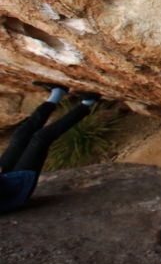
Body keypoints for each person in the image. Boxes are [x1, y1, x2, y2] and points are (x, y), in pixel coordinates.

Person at [0, 82, 101, 214]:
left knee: (20, 135)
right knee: (40, 139)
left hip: (4, 179)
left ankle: (57, 93)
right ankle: (88, 102)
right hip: (14, 191)